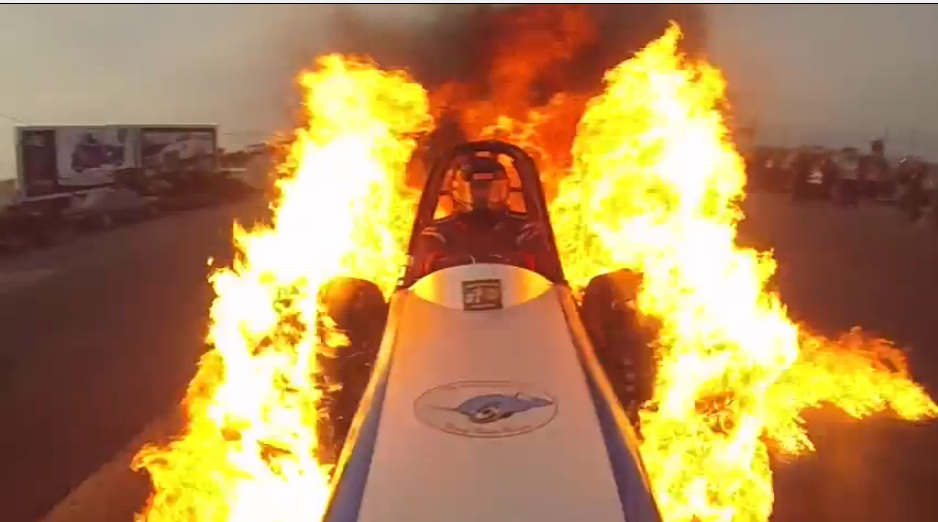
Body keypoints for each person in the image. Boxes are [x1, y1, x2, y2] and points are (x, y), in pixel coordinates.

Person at [413, 155, 545, 275]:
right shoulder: (439, 233)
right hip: (451, 299)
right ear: (457, 190)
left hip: (520, 296)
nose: (483, 196)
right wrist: (447, 263)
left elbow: (547, 274)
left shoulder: (526, 230)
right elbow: (423, 273)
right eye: (476, 189)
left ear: (506, 189)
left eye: (491, 189)